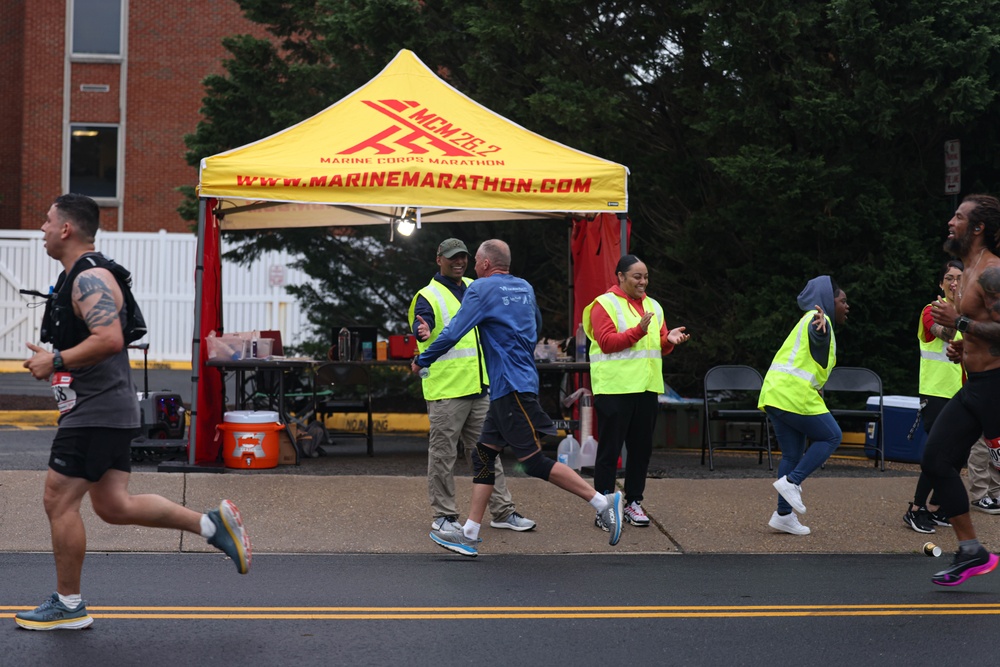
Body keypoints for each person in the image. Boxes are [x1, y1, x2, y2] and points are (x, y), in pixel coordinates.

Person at [17, 194, 251, 631]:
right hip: (103, 408)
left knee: (57, 499)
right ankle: (211, 525)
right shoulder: (79, 278)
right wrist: (55, 359)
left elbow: (109, 338)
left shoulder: (90, 279)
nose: (42, 229)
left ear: (67, 228)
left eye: (47, 221)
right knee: (113, 504)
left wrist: (57, 361)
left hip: (96, 411)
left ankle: (69, 605)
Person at [412, 239, 624, 557]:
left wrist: (422, 359)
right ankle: (469, 533)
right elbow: (536, 325)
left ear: (483, 264)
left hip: (509, 388)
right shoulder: (524, 287)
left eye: (472, 260)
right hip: (510, 385)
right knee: (483, 455)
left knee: (534, 461)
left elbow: (454, 331)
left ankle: (601, 500)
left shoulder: (480, 289)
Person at [408, 238, 535, 534]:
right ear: (438, 259)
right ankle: (444, 515)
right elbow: (420, 320)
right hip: (447, 389)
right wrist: (421, 330)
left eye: (463, 257)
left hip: (479, 386)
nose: (459, 262)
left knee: (488, 453)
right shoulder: (428, 294)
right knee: (443, 455)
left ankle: (502, 511)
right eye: (452, 258)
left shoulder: (476, 285)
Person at [924, 193, 1000, 585]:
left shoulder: (991, 272)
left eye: (958, 216)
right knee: (936, 459)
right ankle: (972, 551)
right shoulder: (966, 273)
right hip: (976, 388)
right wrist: (961, 346)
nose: (950, 222)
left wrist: (962, 325)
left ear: (978, 227)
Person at [583, 254, 689, 529]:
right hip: (615, 389)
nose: (643, 282)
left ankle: (633, 502)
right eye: (637, 276)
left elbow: (660, 344)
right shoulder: (603, 304)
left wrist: (670, 340)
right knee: (610, 450)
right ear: (620, 276)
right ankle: (604, 506)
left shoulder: (654, 305)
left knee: (641, 451)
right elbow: (606, 343)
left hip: (646, 388)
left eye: (646, 277)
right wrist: (638, 331)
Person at [758, 275, 849, 536]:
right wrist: (821, 331)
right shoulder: (819, 321)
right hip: (792, 395)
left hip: (775, 394)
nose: (847, 306)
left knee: (791, 455)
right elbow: (818, 338)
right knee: (832, 436)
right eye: (843, 300)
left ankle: (783, 516)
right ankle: (793, 482)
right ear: (828, 302)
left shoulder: (809, 320)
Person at [904, 260, 964, 534]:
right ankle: (916, 509)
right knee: (938, 453)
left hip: (961, 395)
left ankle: (939, 509)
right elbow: (946, 334)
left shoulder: (964, 315)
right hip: (936, 394)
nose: (954, 283)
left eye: (960, 278)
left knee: (957, 455)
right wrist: (954, 315)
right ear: (941, 283)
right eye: (949, 278)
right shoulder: (932, 310)